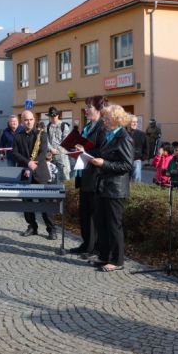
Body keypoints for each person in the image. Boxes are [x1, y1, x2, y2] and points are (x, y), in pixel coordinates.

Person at [88, 104, 133, 272]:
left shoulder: (124, 137)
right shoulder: (110, 135)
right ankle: (104, 256)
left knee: (114, 225)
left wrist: (104, 164)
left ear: (116, 120)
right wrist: (87, 152)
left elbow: (127, 165)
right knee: (102, 223)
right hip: (104, 186)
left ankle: (117, 260)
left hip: (116, 188)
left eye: (106, 118)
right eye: (104, 118)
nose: (104, 121)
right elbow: (102, 152)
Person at [69, 96, 106, 257]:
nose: (86, 109)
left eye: (89, 107)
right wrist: (75, 149)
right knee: (84, 213)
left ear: (99, 109)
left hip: (95, 176)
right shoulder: (87, 127)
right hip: (83, 174)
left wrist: (84, 150)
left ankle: (95, 247)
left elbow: (102, 152)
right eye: (86, 107)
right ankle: (86, 244)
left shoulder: (102, 128)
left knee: (94, 214)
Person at [12, 110, 57, 239]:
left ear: (34, 120)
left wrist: (33, 165)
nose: (29, 122)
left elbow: (43, 153)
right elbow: (15, 153)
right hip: (24, 173)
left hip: (40, 172)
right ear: (22, 121)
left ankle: (51, 229)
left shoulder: (41, 134)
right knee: (27, 202)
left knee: (45, 202)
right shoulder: (17, 135)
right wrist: (28, 163)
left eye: (31, 119)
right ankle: (32, 226)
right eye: (26, 120)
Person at [46, 107, 71, 181]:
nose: (53, 118)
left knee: (65, 178)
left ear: (57, 115)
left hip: (62, 157)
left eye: (54, 116)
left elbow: (66, 141)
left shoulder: (64, 126)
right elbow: (46, 140)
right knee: (53, 177)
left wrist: (57, 150)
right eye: (51, 116)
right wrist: (51, 149)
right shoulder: (48, 126)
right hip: (51, 157)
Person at [127, 115, 148, 183]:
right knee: (125, 181)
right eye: (133, 122)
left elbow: (146, 148)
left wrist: (142, 158)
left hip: (136, 160)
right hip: (125, 160)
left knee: (136, 181)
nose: (135, 123)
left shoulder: (142, 134)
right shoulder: (122, 133)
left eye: (136, 122)